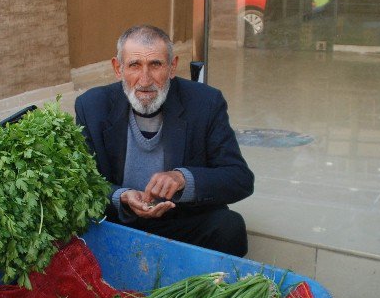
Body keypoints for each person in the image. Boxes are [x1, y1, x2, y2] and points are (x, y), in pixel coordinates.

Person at [74, 25, 254, 256]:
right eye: (134, 65)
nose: (145, 79)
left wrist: (182, 179)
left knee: (229, 226)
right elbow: (82, 183)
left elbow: (240, 179)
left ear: (172, 67)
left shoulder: (205, 103)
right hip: (120, 221)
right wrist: (121, 196)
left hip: (181, 220)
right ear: (118, 68)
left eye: (156, 65)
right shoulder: (92, 106)